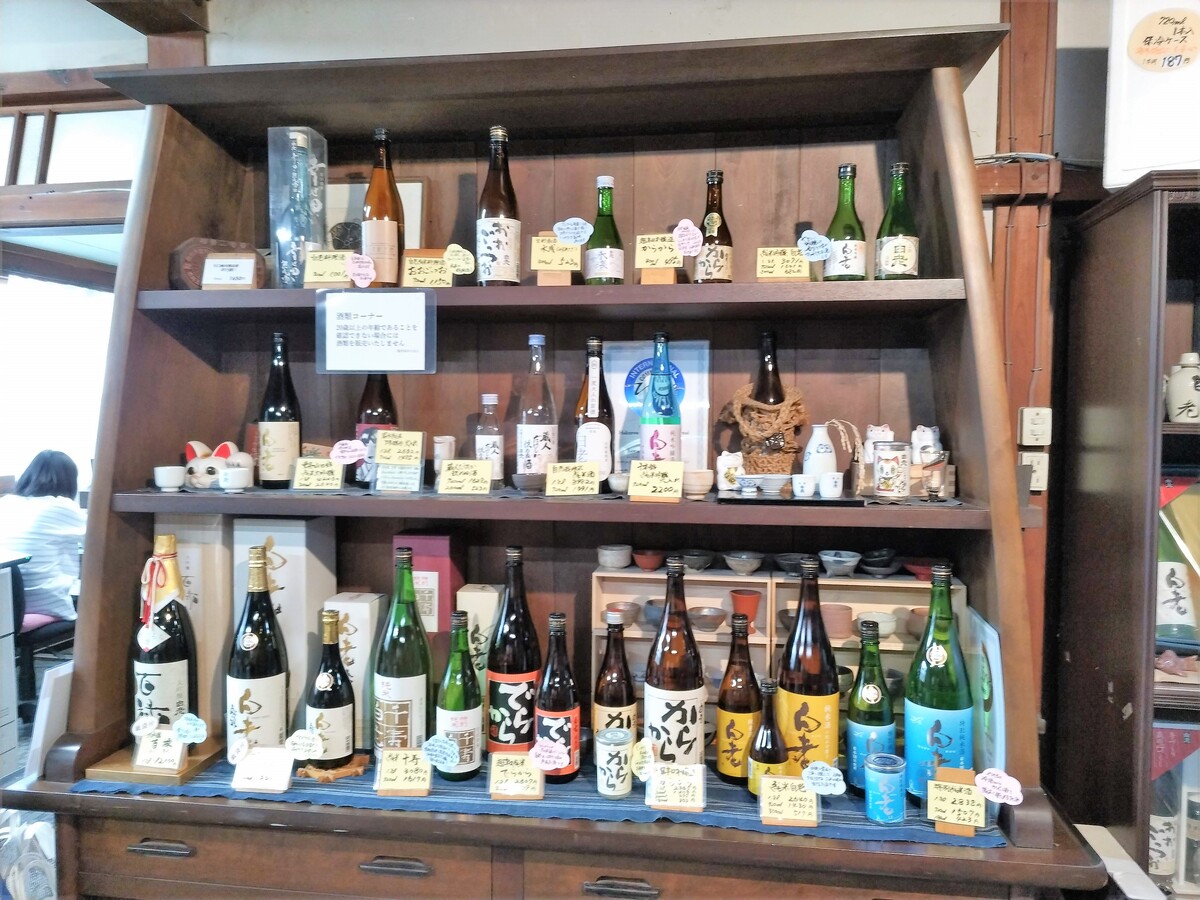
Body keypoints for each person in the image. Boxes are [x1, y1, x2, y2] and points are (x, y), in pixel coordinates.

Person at [0, 450, 86, 625]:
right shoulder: (61, 507)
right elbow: (101, 538)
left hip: (6, 600)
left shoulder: (6, 503)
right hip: (39, 605)